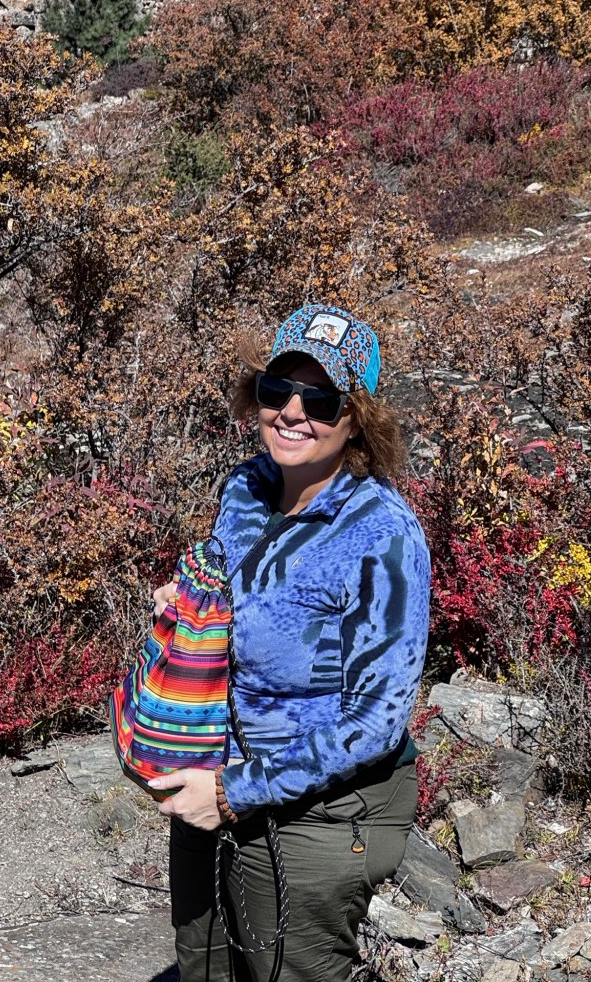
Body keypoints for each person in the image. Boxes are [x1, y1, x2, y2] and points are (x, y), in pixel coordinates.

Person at [149, 303, 431, 982]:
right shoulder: (247, 488)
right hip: (213, 774)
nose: (293, 412)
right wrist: (189, 595)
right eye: (278, 389)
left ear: (357, 417)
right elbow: (232, 575)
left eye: (321, 399)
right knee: (204, 966)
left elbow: (375, 721)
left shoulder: (381, 534)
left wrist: (231, 794)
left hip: (320, 812)